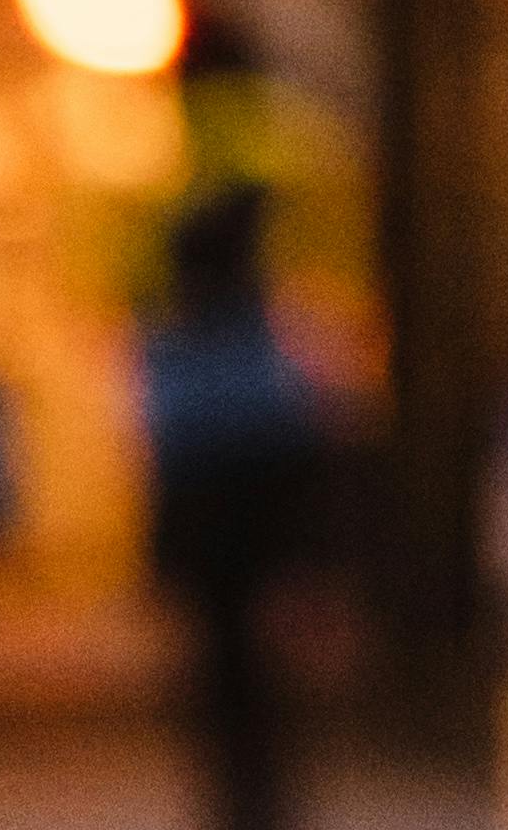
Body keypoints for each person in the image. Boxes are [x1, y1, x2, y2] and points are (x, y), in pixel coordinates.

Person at [139, 177, 334, 830]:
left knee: (232, 673)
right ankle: (253, 797)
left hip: (219, 511)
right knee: (249, 675)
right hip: (248, 506)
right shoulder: (250, 339)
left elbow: (170, 447)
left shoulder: (184, 340)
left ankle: (248, 797)